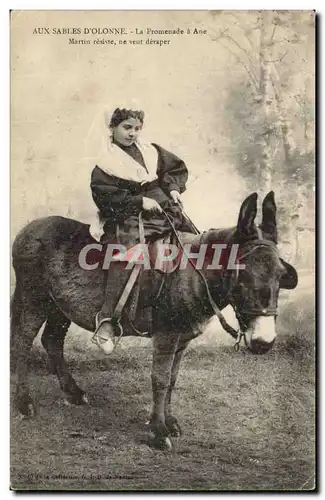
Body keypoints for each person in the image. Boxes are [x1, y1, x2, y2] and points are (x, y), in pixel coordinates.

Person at [90, 107, 193, 354]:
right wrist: (139, 202)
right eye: (127, 127)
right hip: (126, 216)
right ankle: (106, 321)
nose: (132, 133)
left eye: (137, 128)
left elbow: (173, 170)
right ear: (112, 127)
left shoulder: (151, 151)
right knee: (127, 255)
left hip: (163, 209)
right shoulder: (105, 161)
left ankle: (176, 310)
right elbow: (104, 196)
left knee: (191, 244)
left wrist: (174, 189)